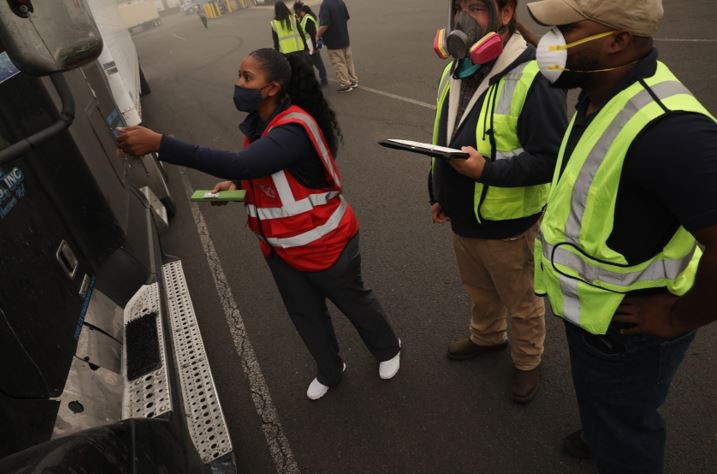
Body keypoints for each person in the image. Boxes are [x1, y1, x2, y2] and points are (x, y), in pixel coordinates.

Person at [116, 48, 401, 401]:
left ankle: (387, 348)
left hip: (325, 242)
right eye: (239, 75)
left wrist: (162, 144)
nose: (238, 83)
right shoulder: (261, 125)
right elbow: (261, 171)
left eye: (248, 78)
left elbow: (245, 163)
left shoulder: (293, 128)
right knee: (304, 314)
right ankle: (330, 369)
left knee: (354, 301)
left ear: (273, 88)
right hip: (280, 246)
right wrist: (237, 187)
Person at [525, 0, 717, 471]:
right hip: (596, 317)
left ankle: (615, 437)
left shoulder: (673, 133)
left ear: (616, 40)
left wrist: (679, 316)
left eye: (564, 29)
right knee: (608, 406)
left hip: (628, 331)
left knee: (628, 436)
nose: (548, 42)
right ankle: (601, 426)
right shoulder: (600, 88)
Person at [429, 0, 567, 404]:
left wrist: (486, 172)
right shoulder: (456, 69)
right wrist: (439, 193)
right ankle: (488, 337)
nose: (463, 18)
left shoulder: (533, 74)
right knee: (479, 291)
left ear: (505, 13)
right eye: (458, 7)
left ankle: (527, 361)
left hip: (509, 224)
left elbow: (549, 158)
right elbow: (444, 134)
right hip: (463, 215)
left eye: (475, 7)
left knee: (522, 301)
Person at [318, 0, 357, 93]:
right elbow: (346, 17)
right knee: (348, 60)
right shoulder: (340, 2)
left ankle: (345, 84)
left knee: (338, 62)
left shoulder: (325, 5)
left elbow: (324, 24)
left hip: (333, 40)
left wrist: (317, 35)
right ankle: (353, 80)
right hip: (344, 36)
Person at [294, 1, 329, 86]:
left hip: (312, 46)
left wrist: (314, 48)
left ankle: (324, 80)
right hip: (308, 46)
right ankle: (315, 81)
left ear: (299, 11)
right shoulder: (303, 18)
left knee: (318, 64)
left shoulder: (308, 18)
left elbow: (313, 34)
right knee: (309, 65)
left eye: (296, 12)